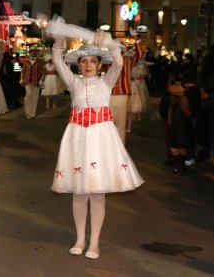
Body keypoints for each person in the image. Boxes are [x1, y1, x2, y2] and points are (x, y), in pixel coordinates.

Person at [46, 17, 144, 259]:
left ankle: (94, 243)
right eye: (83, 61)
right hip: (77, 138)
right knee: (79, 193)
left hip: (100, 139)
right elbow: (58, 61)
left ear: (100, 65)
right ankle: (80, 239)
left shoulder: (107, 81)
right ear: (78, 65)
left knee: (97, 193)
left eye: (92, 61)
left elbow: (119, 62)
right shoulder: (73, 82)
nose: (88, 64)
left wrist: (108, 42)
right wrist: (60, 37)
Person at [109, 38, 144, 145]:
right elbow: (139, 54)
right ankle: (115, 148)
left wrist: (137, 41)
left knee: (117, 125)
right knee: (114, 124)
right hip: (113, 95)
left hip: (119, 95)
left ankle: (118, 148)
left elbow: (139, 54)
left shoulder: (125, 60)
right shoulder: (110, 60)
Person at [20, 47, 44, 119]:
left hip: (36, 82)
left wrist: (41, 80)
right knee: (28, 95)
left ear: (36, 53)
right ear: (30, 53)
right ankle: (27, 112)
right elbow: (23, 71)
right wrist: (21, 79)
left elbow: (42, 72)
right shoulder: (26, 61)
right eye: (32, 52)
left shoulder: (40, 61)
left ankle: (32, 113)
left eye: (35, 52)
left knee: (35, 98)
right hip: (27, 82)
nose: (33, 53)